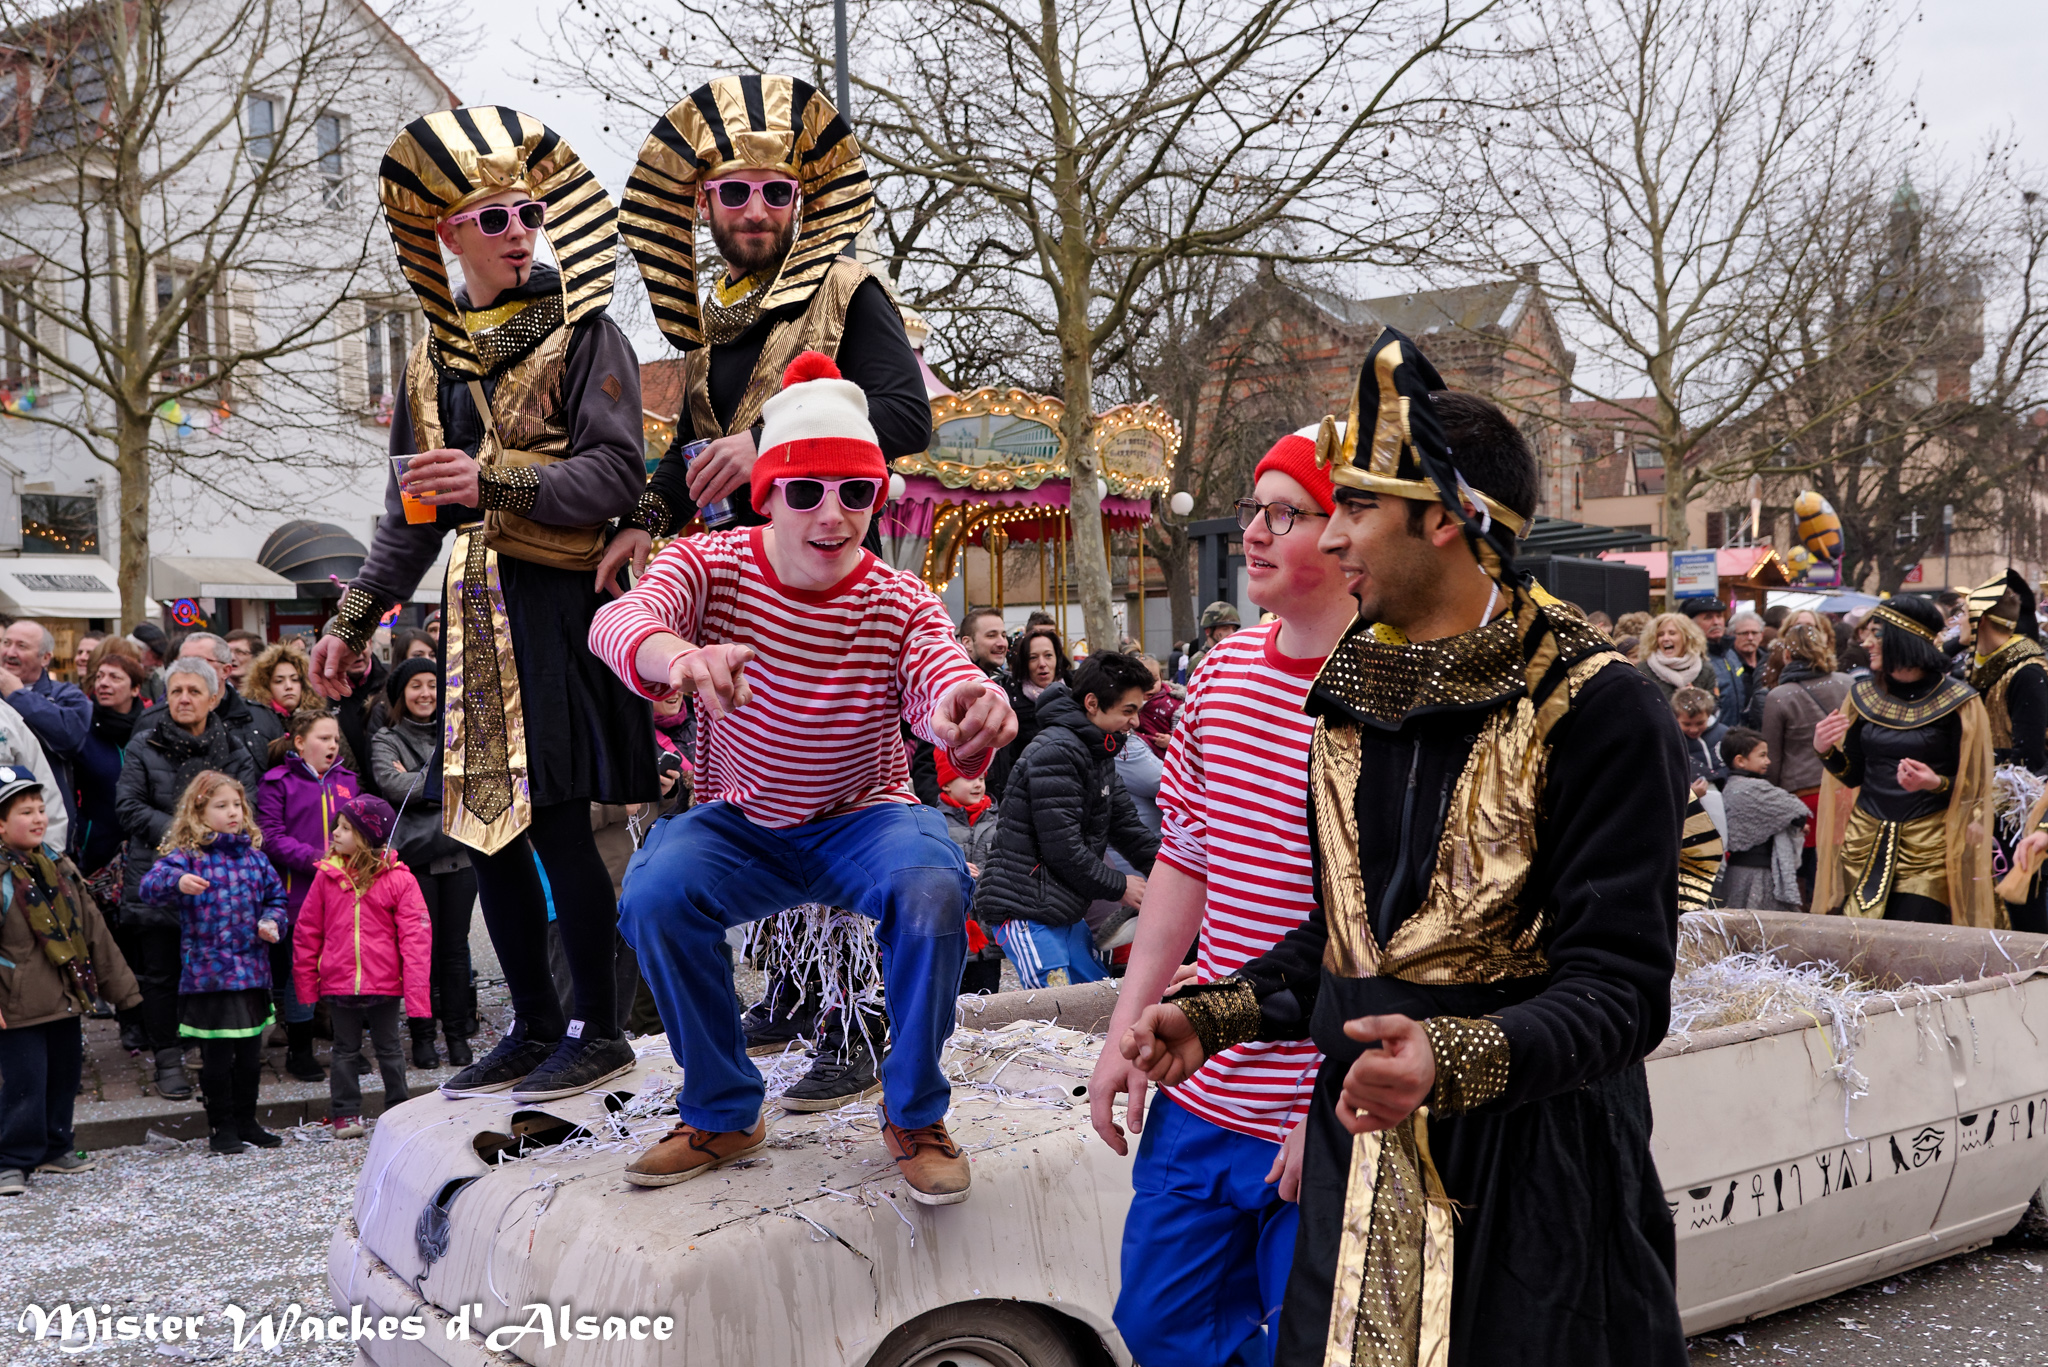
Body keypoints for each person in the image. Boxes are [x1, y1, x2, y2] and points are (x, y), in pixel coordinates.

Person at [1117, 332, 1687, 1367]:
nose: (1331, 539)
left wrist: (1447, 1053)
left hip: (1536, 1176)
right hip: (1365, 1161)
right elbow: (1347, 945)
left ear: (1446, 519)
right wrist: (1213, 1011)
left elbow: (1621, 990)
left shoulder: (1601, 708)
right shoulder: (1352, 694)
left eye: (1355, 507)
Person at [588, 350, 1016, 1201]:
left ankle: (913, 1110)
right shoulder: (709, 563)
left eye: (855, 492)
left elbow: (941, 680)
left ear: (877, 499)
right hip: (742, 822)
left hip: (863, 819)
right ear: (768, 492)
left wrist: (970, 709)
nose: (832, 513)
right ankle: (722, 1107)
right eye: (807, 490)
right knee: (654, 892)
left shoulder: (899, 598)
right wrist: (679, 656)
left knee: (934, 887)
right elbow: (620, 617)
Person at [310, 108, 655, 1103]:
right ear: (446, 235)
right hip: (472, 607)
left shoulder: (589, 332)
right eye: (494, 214)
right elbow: (408, 514)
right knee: (480, 825)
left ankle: (597, 1022)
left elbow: (614, 475)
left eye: (528, 211)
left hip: (553, 597)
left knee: (553, 818)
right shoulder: (426, 358)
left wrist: (491, 485)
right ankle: (536, 1025)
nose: (518, 228)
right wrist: (351, 623)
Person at [1089, 422, 1359, 1367]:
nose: (1253, 531)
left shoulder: (1393, 697)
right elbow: (1185, 866)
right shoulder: (1221, 677)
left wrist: (1328, 1108)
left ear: (1346, 533)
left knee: (1314, 1347)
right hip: (1201, 1089)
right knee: (1161, 1328)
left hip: (1320, 1100)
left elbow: (1395, 932)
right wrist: (1129, 1030)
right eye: (1254, 509)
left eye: (1284, 513)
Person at [601, 73, 930, 576]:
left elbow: (907, 417)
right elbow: (695, 455)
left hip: (829, 583)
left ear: (797, 201)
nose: (756, 212)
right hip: (735, 584)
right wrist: (642, 522)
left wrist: (764, 443)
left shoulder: (845, 289)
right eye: (735, 192)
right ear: (702, 202)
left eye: (776, 192)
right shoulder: (705, 320)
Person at [113, 659, 257, 1101]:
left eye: (194, 691)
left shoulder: (232, 748)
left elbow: (244, 807)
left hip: (219, 885)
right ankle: (168, 1058)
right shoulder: (144, 745)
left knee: (210, 969)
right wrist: (188, 835)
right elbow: (129, 807)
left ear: (214, 697)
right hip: (157, 873)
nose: (184, 699)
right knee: (161, 974)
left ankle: (208, 1050)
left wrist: (210, 839)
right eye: (176, 691)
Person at [975, 651, 1159, 989]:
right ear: (1092, 703)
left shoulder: (1097, 751)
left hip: (1062, 906)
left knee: (1095, 1004)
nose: (1135, 722)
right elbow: (1062, 847)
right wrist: (1121, 885)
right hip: (1026, 908)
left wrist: (1172, 871)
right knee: (1060, 1014)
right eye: (1128, 711)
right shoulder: (1057, 751)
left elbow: (1128, 829)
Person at [1813, 595, 1997, 926]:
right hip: (1863, 843)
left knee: (1914, 945)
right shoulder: (1862, 696)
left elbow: (1979, 787)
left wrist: (1934, 782)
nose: (1866, 642)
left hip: (1929, 849)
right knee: (1856, 945)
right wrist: (1825, 750)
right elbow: (1853, 775)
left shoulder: (1960, 703)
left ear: (1902, 638)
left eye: (1876, 633)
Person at [0, 766, 140, 1196]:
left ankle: (57, 1144)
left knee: (63, 1074)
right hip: (18, 1003)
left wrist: (125, 992)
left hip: (64, 994)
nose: (39, 818)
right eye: (26, 812)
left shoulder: (57, 866)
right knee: (25, 1082)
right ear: (1, 824)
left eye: (41, 809)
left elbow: (94, 931)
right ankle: (11, 1159)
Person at [136, 770, 289, 1154]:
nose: (233, 812)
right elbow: (148, 888)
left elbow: (277, 899)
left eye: (237, 804)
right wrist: (177, 882)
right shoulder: (188, 858)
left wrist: (272, 922)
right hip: (210, 976)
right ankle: (221, 1126)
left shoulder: (255, 859)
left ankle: (247, 1120)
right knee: (218, 1057)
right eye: (221, 806)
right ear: (199, 812)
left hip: (252, 972)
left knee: (252, 1055)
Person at [293, 795, 431, 1139]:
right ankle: (345, 1112)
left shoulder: (399, 880)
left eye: (344, 828)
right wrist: (307, 986)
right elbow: (307, 931)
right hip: (340, 983)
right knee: (344, 1050)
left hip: (385, 982)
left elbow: (416, 939)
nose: (334, 833)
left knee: (389, 1048)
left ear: (367, 836)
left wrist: (417, 998)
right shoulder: (327, 878)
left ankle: (398, 1108)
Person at [370, 657, 478, 1067]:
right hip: (415, 861)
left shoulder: (459, 731)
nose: (425, 694)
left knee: (453, 949)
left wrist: (418, 779)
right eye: (416, 685)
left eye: (432, 684)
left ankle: (456, 1035)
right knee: (420, 953)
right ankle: (422, 1036)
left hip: (461, 858)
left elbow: (474, 779)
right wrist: (445, 780)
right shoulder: (386, 738)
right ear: (401, 693)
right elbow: (390, 784)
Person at [257, 711, 359, 1080]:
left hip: (342, 895)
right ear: (299, 742)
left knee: (341, 971)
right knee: (303, 974)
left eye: (335, 739)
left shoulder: (348, 782)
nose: (332, 745)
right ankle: (300, 1052)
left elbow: (361, 831)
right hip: (297, 896)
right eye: (323, 738)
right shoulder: (276, 782)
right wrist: (317, 859)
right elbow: (270, 835)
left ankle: (347, 1046)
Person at [1963, 572, 2048, 932]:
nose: (1955, 624)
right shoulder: (1983, 667)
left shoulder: (2027, 672)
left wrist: (1986, 812)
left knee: (2025, 919)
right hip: (1986, 806)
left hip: (2019, 815)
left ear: (1979, 619)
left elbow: (2031, 762)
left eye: (1961, 616)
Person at [1757, 622, 1851, 904]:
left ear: (1787, 655)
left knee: (1805, 875)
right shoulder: (1847, 683)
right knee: (1838, 870)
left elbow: (1771, 758)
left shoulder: (1779, 697)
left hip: (1803, 799)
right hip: (1843, 791)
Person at [0, 620, 91, 853]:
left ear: (45, 658)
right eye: (5, 643)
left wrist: (17, 695)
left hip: (48, 827)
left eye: (21, 646)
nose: (10, 652)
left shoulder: (67, 695)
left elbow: (69, 738)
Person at [77, 654, 148, 892]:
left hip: (143, 851)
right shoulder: (80, 728)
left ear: (135, 689)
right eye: (99, 677)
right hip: (94, 851)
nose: (103, 683)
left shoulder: (150, 730)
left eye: (114, 677)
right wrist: (83, 831)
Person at [934, 751, 1003, 996]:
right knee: (951, 995)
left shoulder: (998, 820)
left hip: (987, 931)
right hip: (953, 926)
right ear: (946, 784)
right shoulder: (934, 822)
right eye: (969, 777)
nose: (978, 784)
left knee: (987, 994)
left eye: (982, 778)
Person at [1717, 729, 1809, 912]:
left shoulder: (1730, 787)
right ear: (1740, 760)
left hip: (1735, 873)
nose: (1768, 761)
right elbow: (1797, 812)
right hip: (1759, 874)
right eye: (1762, 755)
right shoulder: (1754, 789)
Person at [241, 641, 313, 755]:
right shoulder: (253, 721)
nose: (288, 686)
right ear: (265, 686)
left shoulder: (319, 719)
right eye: (279, 681)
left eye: (295, 680)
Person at [1638, 610, 1717, 704]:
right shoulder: (1644, 670)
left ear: (1686, 637)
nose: (1665, 638)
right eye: (1661, 634)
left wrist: (1696, 700)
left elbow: (1714, 707)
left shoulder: (1705, 669)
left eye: (1672, 633)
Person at [1671, 686, 1726, 788]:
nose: (1694, 729)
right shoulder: (1673, 741)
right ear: (1675, 718)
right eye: (1687, 724)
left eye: (1700, 723)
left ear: (1709, 715)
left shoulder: (1724, 734)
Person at [1727, 611, 1767, 725]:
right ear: (1731, 635)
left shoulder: (1769, 661)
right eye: (1744, 633)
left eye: (1754, 633)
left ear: (1761, 635)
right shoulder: (1727, 663)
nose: (1750, 638)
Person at [1188, 601, 1241, 674]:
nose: (1231, 633)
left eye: (1234, 629)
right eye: (1225, 628)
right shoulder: (1200, 661)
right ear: (1208, 631)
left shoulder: (1234, 657)